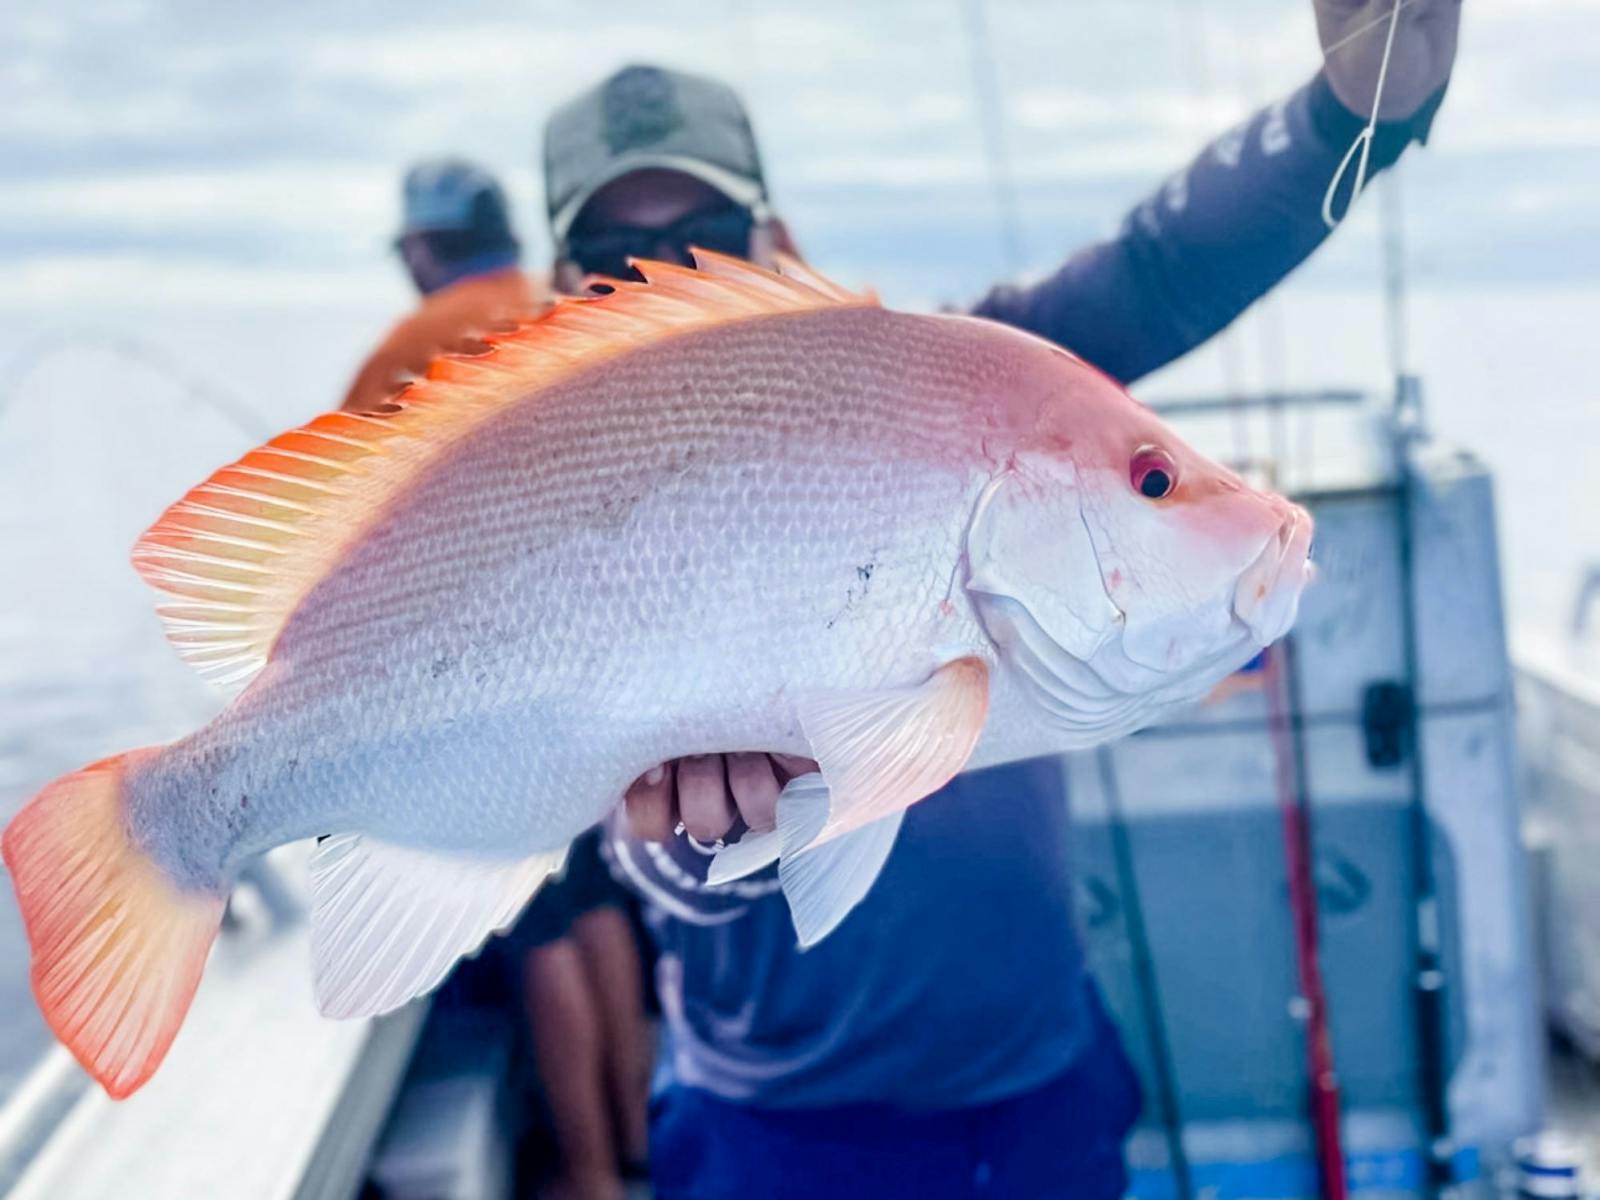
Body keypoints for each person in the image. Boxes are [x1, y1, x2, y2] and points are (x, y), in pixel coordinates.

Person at [540, 4, 1462, 1195]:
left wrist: (1362, 111)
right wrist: (709, 839)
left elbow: (1158, 270)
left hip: (1037, 1087)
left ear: (773, 233)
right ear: (564, 288)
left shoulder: (969, 391)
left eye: (705, 231)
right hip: (774, 1128)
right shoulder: (562, 510)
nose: (667, 275)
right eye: (620, 255)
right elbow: (625, 829)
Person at [343, 161, 650, 1200]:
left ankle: (593, 1171)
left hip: (487, 697)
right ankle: (638, 1138)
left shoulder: (407, 348)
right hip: (598, 673)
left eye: (404, 249)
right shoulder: (560, 310)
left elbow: (339, 526)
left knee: (537, 930)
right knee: (599, 896)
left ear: (426, 249)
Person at [340, 158, 550, 414]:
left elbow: (340, 449)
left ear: (425, 245)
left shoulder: (415, 336)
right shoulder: (562, 303)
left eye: (404, 248)